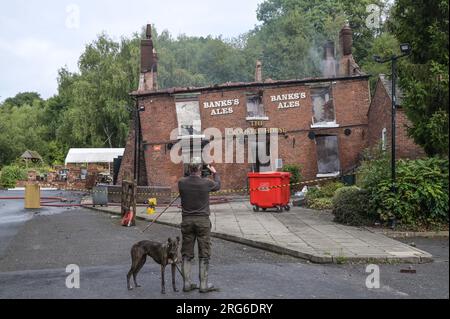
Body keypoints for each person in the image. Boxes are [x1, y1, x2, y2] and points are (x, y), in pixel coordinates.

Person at [178, 163, 221, 293]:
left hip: (187, 221)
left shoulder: (181, 183)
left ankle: (187, 284)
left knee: (186, 253)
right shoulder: (207, 183)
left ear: (188, 169)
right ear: (199, 170)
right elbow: (218, 185)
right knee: (204, 253)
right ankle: (203, 285)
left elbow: (186, 182)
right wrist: (215, 173)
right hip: (202, 221)